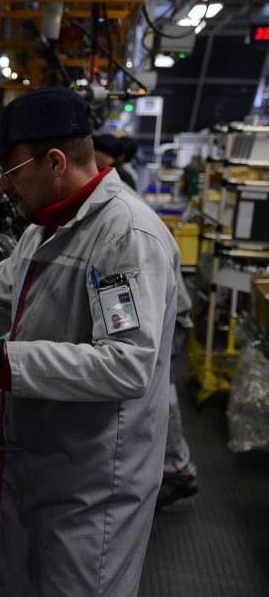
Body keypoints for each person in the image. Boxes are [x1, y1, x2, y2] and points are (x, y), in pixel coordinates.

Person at [0, 87, 180, 597]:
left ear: (55, 161)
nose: (2, 185)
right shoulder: (44, 229)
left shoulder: (124, 237)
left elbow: (126, 364)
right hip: (42, 461)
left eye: (12, 171)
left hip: (94, 486)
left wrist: (0, 356)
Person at [93, 134, 200, 509]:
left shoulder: (118, 192)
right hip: (164, 296)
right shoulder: (116, 183)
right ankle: (175, 465)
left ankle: (177, 469)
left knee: (160, 392)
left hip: (166, 302)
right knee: (158, 389)